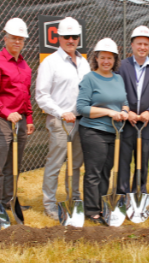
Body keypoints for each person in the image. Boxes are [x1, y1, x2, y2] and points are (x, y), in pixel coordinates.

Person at [35, 16, 91, 221]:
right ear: (59, 37)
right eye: (67, 36)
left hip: (80, 120)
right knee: (55, 163)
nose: (71, 40)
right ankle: (49, 204)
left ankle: (74, 200)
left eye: (75, 36)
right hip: (60, 121)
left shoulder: (84, 62)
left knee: (76, 164)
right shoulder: (50, 62)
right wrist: (61, 113)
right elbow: (41, 95)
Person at [0, 18, 34, 210]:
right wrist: (6, 112)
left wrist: (28, 118)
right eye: (13, 38)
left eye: (21, 39)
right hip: (0, 119)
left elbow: (25, 94)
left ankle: (9, 201)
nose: (17, 42)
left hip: (19, 120)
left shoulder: (24, 65)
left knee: (14, 164)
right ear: (5, 39)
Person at [76, 38, 129, 225]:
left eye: (110, 58)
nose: (106, 61)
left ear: (115, 60)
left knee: (107, 170)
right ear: (96, 58)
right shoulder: (89, 79)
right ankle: (91, 211)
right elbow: (82, 108)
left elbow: (124, 102)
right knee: (94, 172)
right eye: (103, 57)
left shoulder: (118, 78)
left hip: (114, 132)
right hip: (93, 131)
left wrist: (124, 112)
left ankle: (101, 205)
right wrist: (109, 112)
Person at [116, 26, 149, 197]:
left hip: (147, 124)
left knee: (142, 161)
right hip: (125, 123)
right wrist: (126, 111)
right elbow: (114, 91)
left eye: (146, 44)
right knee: (123, 161)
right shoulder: (121, 66)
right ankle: (122, 194)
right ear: (132, 45)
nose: (142, 47)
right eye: (139, 44)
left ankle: (138, 193)